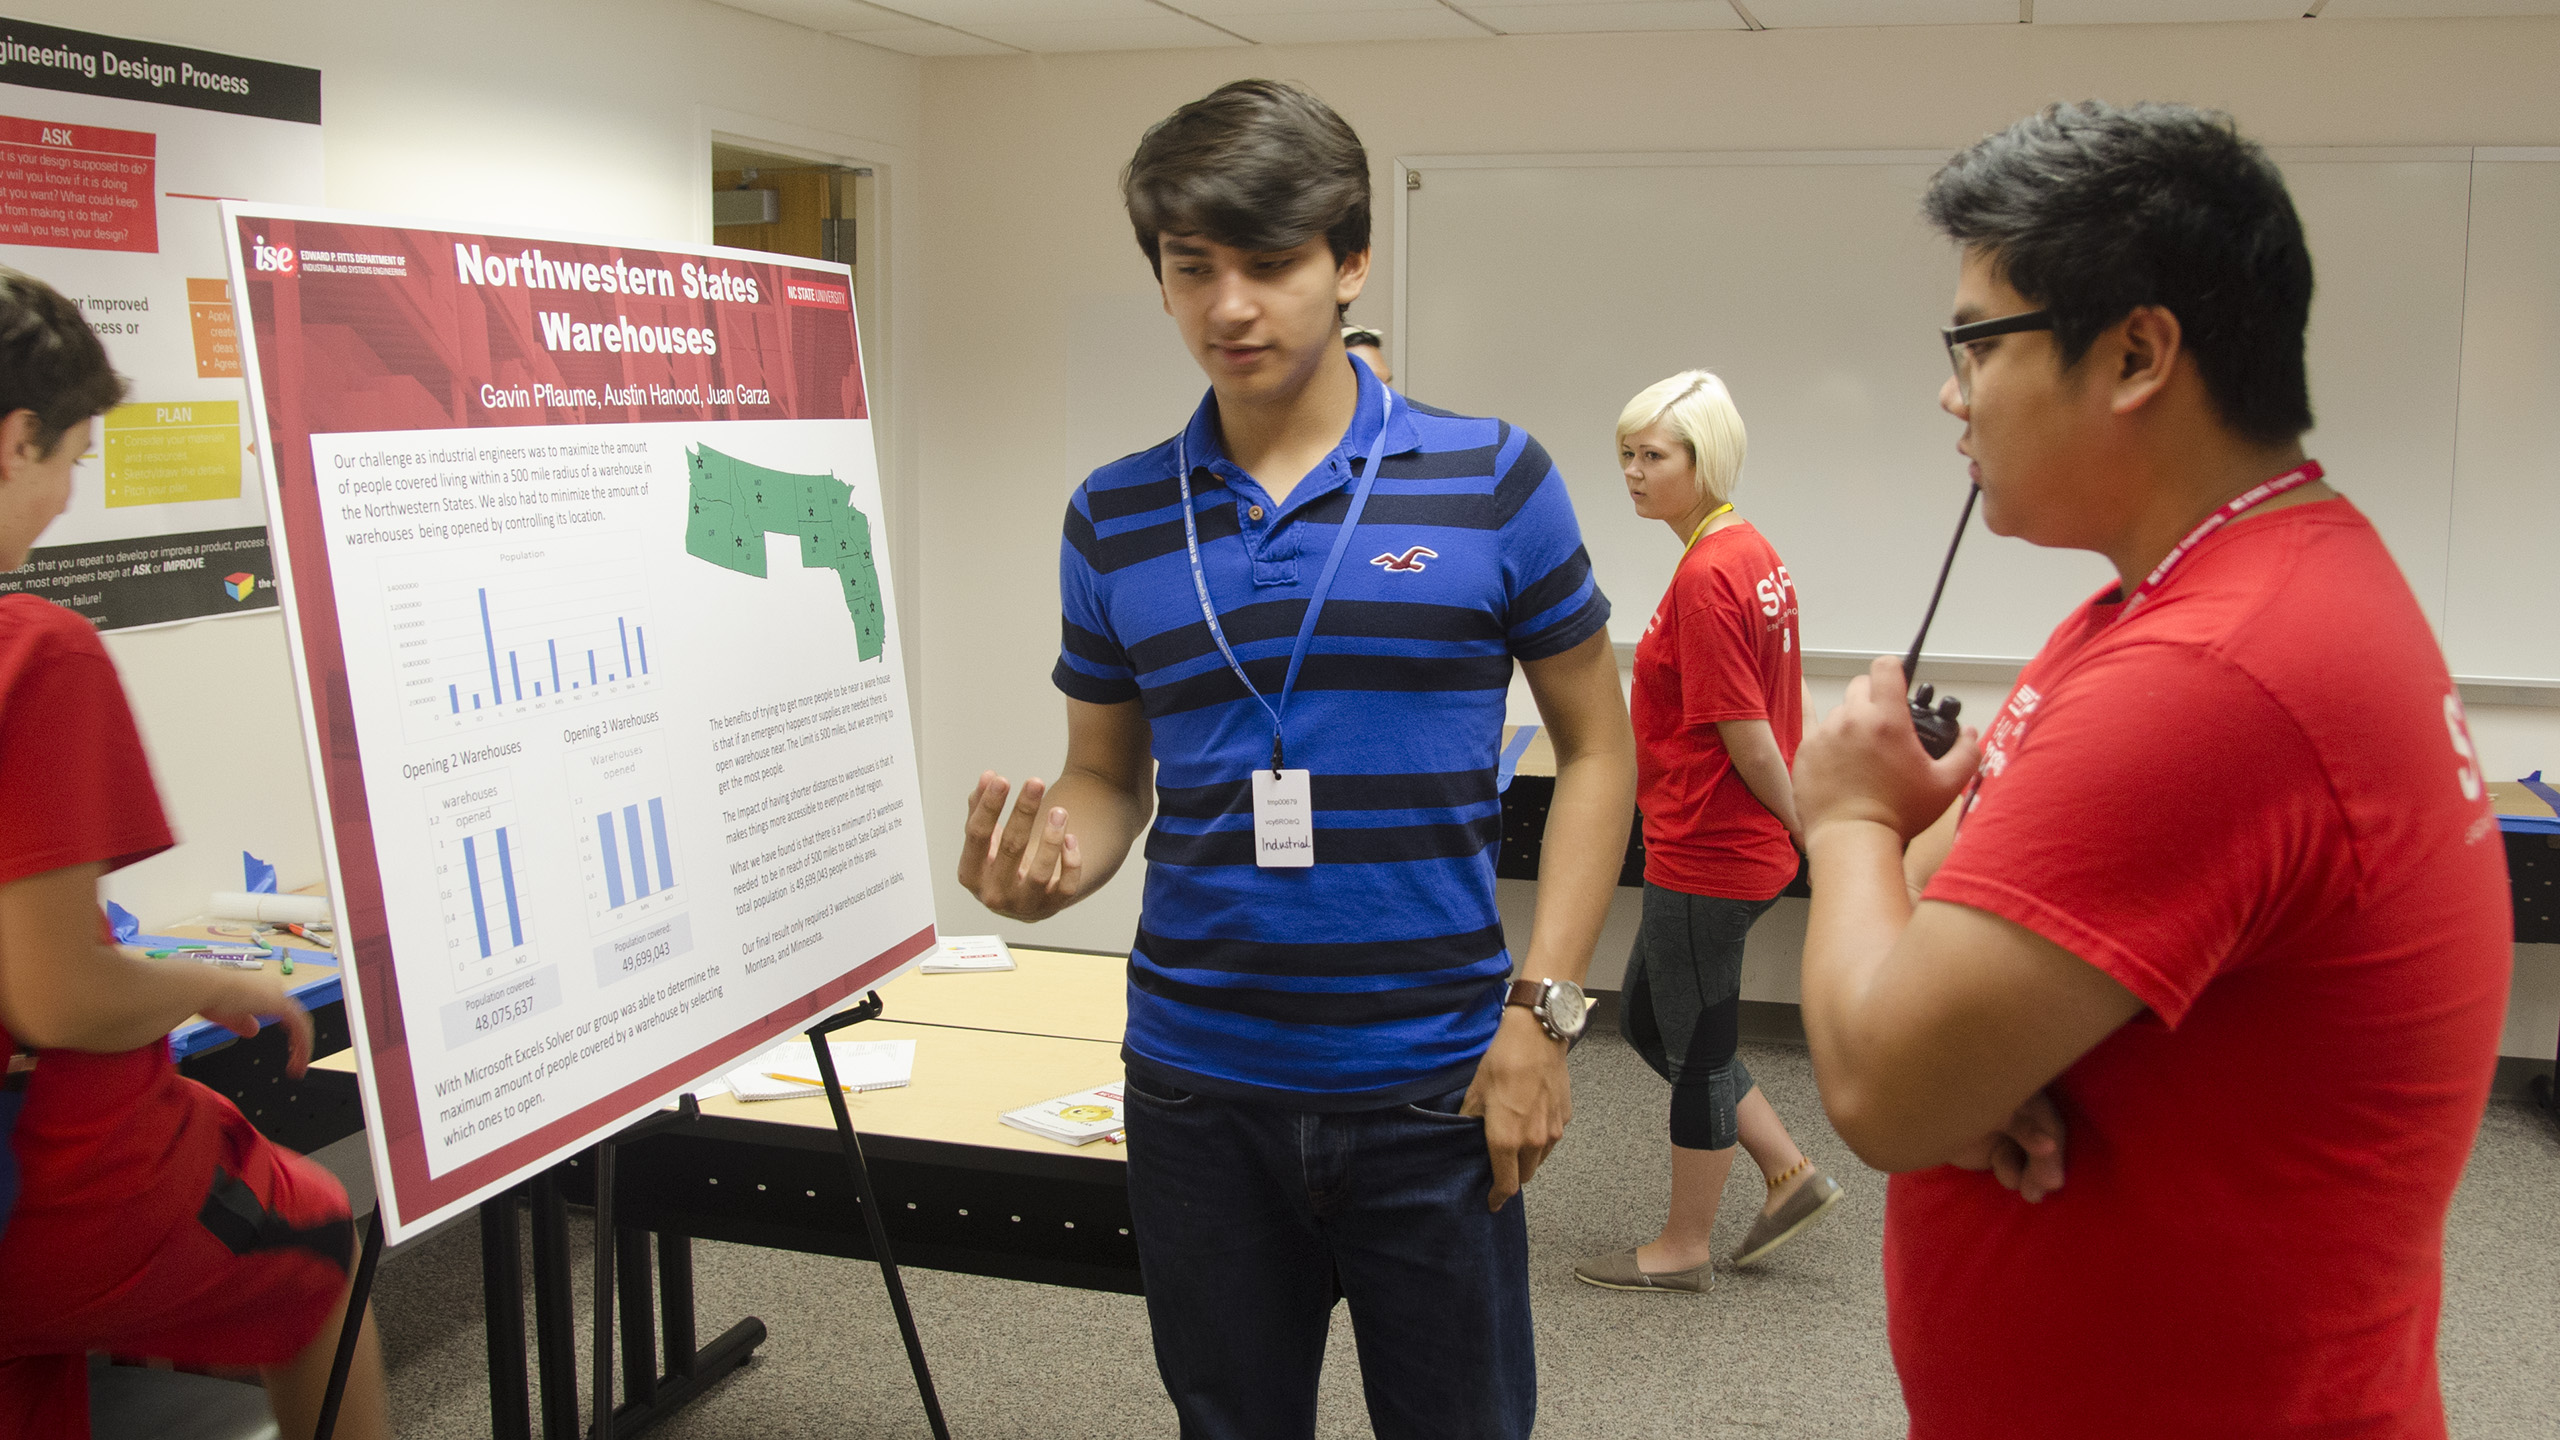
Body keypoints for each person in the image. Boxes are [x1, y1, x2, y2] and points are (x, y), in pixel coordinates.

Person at [1790, 102, 2510, 1439]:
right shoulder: (2168, 603)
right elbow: (1934, 952)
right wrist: (1958, 1045)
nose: (1951, 393)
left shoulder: (2215, 674)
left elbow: (1883, 1083)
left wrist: (1840, 821)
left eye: (1974, 343)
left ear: (2135, 354)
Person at [957, 80, 1633, 1440]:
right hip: (1200, 1087)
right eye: (1192, 268)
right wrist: (1056, 868)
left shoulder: (1492, 480)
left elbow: (1600, 750)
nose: (1230, 307)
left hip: (1434, 1075)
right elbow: (1108, 773)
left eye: (1270, 264)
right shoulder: (1117, 515)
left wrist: (1542, 1012)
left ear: (1351, 260)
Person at [0, 268, 389, 1439]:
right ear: (16, 439)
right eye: (72, 457)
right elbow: (63, 995)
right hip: (39, 1186)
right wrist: (216, 984)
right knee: (320, 1244)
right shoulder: (41, 653)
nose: (70, 496)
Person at [1571, 371, 1841, 1295]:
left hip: (1712, 851)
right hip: (1716, 840)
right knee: (1654, 1019)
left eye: (1655, 456)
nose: (1635, 474)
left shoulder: (1708, 573)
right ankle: (1788, 1174)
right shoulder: (1744, 548)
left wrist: (1810, 833)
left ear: (1705, 457)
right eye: (1628, 456)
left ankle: (1682, 1246)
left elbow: (1748, 734)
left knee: (1692, 1046)